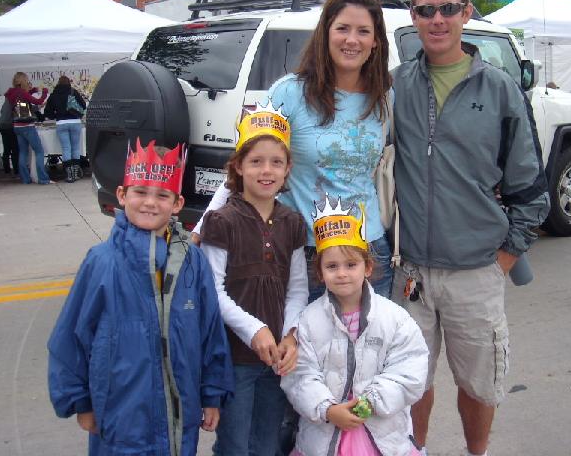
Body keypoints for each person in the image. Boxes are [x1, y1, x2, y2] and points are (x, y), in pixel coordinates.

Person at [390, 0, 550, 456]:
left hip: (476, 270)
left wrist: (503, 257)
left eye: (448, 9)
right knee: (410, 381)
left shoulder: (500, 88)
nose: (437, 20)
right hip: (411, 269)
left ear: (466, 12)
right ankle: (414, 449)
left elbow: (531, 187)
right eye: (426, 10)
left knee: (479, 385)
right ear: (413, 16)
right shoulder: (396, 86)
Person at [193, 0, 395, 302]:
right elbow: (248, 163)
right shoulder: (289, 93)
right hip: (305, 253)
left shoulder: (384, 98)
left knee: (369, 348)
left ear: (376, 41)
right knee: (303, 349)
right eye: (342, 28)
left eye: (363, 31)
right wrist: (204, 224)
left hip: (368, 252)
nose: (351, 40)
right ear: (325, 34)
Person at [47, 138, 234, 456]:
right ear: (122, 195)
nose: (150, 202)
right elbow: (71, 336)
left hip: (179, 420)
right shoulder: (102, 261)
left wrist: (212, 394)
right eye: (140, 192)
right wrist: (80, 401)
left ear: (177, 203)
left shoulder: (193, 261)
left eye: (162, 195)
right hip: (120, 421)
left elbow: (209, 332)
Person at [198, 103, 309, 456]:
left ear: (288, 168)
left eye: (276, 162)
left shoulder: (292, 223)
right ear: (239, 166)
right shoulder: (222, 221)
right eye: (256, 161)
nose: (266, 170)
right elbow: (211, 289)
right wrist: (254, 329)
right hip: (234, 357)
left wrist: (290, 335)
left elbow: (297, 289)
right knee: (234, 444)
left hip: (276, 357)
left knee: (267, 442)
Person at [281, 195, 428, 456]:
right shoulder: (308, 321)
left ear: (368, 267)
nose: (342, 273)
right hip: (324, 436)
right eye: (332, 266)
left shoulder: (394, 319)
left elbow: (410, 368)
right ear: (320, 273)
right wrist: (327, 408)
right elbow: (299, 376)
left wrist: (369, 404)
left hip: (381, 437)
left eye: (351, 265)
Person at [4, 72, 50, 184]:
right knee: (39, 151)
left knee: (23, 152)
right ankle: (43, 178)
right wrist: (44, 93)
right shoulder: (22, 93)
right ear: (23, 80)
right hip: (27, 126)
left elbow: (24, 98)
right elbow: (38, 101)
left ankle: (25, 178)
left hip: (17, 126)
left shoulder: (12, 93)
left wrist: (33, 90)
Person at [44, 75, 87, 183]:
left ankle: (69, 174)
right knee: (76, 147)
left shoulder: (54, 95)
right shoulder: (73, 92)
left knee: (66, 148)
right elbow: (83, 105)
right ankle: (76, 172)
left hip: (61, 123)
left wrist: (56, 115)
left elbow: (47, 112)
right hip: (75, 122)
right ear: (69, 83)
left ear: (58, 83)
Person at [0, 94, 19, 176]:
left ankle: (6, 169)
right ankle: (16, 170)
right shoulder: (14, 102)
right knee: (15, 149)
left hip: (2, 126)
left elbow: (1, 111)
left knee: (6, 149)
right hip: (9, 126)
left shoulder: (6, 102)